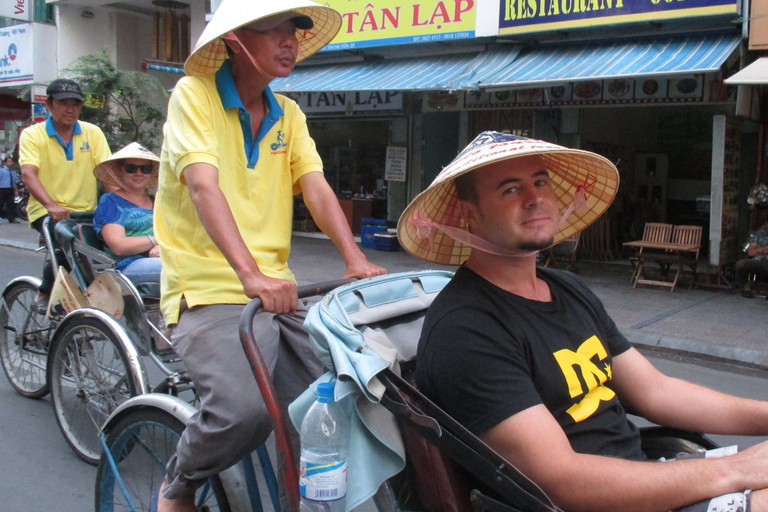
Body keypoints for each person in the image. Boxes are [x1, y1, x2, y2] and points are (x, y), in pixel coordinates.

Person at [398, 131, 768, 512]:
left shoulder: (568, 288)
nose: (535, 198)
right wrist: (736, 469)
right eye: (510, 190)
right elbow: (562, 480)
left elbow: (656, 392)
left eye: (540, 181)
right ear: (469, 214)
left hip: (646, 480)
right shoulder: (466, 329)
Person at [153, 2, 385, 510]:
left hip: (278, 290)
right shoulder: (194, 96)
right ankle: (180, 483)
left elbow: (317, 188)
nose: (290, 41)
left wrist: (355, 259)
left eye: (295, 31)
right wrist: (250, 274)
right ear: (236, 40)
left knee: (339, 402)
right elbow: (202, 186)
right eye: (274, 30)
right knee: (243, 412)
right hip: (208, 289)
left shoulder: (291, 115)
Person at [19, 78, 111, 309]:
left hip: (86, 210)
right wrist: (51, 205)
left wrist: (120, 206)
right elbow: (29, 174)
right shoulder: (33, 135)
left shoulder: (93, 133)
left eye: (75, 104)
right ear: (49, 105)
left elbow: (107, 175)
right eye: (63, 103)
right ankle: (45, 291)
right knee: (65, 240)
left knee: (106, 251)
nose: (70, 109)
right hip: (48, 209)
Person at [93, 142, 162, 298]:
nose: (139, 173)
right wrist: (157, 240)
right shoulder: (110, 201)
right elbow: (119, 246)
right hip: (124, 268)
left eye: (145, 169)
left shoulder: (157, 202)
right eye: (131, 168)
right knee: (178, 268)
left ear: (152, 173)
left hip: (160, 259)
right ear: (120, 171)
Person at [735, 209, 768, 298]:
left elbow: (755, 250)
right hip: (758, 260)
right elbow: (751, 251)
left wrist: (759, 250)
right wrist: (764, 249)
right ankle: (746, 288)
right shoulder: (758, 234)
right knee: (741, 264)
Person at [0, 155, 19, 223]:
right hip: (2, 189)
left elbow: (14, 182)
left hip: (10, 189)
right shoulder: (1, 170)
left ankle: (11, 218)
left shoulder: (13, 172)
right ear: (5, 163)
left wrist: (16, 191)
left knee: (11, 204)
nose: (10, 163)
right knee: (1, 204)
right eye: (9, 161)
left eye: (11, 161)